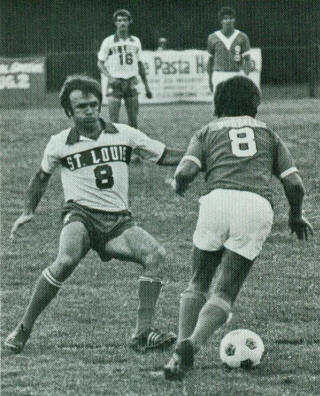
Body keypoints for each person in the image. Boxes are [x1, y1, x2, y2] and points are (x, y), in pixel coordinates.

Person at [4, 74, 184, 354]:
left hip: (119, 221)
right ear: (68, 112)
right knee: (65, 260)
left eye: (93, 104)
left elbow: (164, 155)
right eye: (81, 107)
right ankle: (23, 328)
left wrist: (200, 156)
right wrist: (28, 211)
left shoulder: (125, 134)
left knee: (156, 255)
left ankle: (142, 332)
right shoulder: (59, 142)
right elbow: (41, 178)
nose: (89, 110)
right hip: (80, 215)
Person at [164, 76, 313, 380]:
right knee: (225, 290)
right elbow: (294, 184)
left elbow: (186, 170)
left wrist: (179, 184)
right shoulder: (268, 134)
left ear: (217, 103)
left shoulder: (205, 131)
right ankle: (192, 344)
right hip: (254, 205)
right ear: (255, 104)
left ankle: (181, 347)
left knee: (198, 282)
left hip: (216, 202)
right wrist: (295, 216)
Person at [97, 9, 152, 129]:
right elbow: (100, 63)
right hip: (115, 82)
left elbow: (140, 64)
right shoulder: (108, 41)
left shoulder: (135, 41)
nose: (122, 23)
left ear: (129, 22)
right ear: (115, 23)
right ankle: (115, 144)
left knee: (133, 120)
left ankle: (132, 145)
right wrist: (110, 78)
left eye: (125, 20)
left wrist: (147, 88)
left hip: (130, 81)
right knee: (113, 120)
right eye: (119, 20)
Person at [207, 7, 252, 95]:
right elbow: (210, 61)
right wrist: (209, 80)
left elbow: (247, 59)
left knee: (237, 105)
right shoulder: (212, 37)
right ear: (221, 21)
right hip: (219, 74)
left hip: (236, 74)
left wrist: (246, 77)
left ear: (234, 20)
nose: (228, 21)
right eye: (225, 18)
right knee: (220, 106)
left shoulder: (242, 37)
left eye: (231, 18)